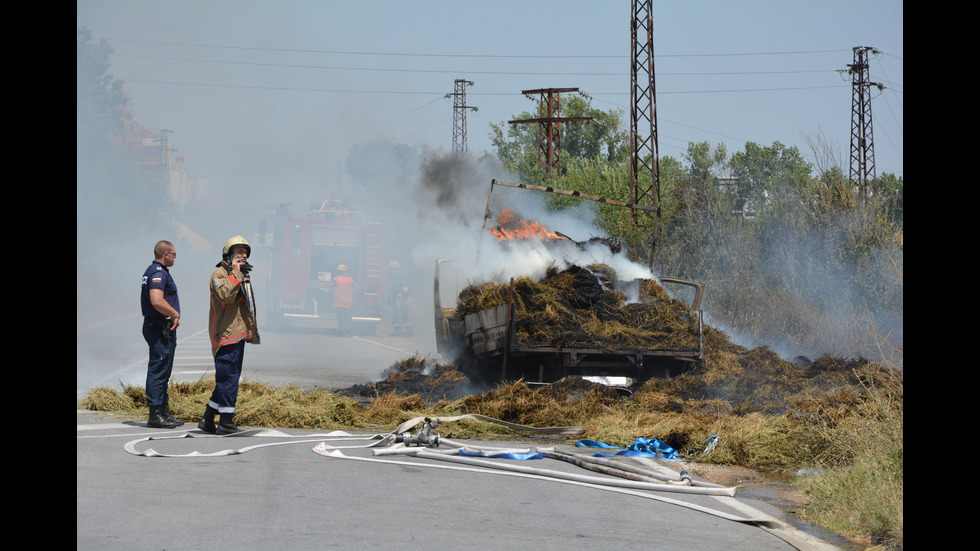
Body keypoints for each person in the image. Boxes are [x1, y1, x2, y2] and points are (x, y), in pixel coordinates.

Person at [198, 235, 260, 435]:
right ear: (229, 254)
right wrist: (235, 274)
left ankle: (208, 419)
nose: (242, 255)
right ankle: (225, 422)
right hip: (225, 335)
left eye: (245, 252)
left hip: (237, 334)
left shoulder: (240, 274)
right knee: (229, 379)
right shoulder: (220, 274)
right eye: (238, 251)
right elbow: (224, 296)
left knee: (227, 378)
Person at [140, 240, 184, 429]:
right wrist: (174, 313)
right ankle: (155, 414)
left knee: (164, 370)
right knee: (158, 370)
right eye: (174, 254)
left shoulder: (157, 271)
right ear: (166, 255)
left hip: (160, 328)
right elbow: (156, 301)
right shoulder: (158, 273)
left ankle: (164, 411)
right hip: (158, 328)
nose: (175, 257)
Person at [332, 264, 354, 336]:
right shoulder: (350, 280)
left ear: (339, 271)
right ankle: (350, 332)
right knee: (348, 319)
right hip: (348, 303)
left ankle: (342, 332)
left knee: (341, 319)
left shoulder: (336, 279)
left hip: (339, 303)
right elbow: (353, 290)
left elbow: (333, 290)